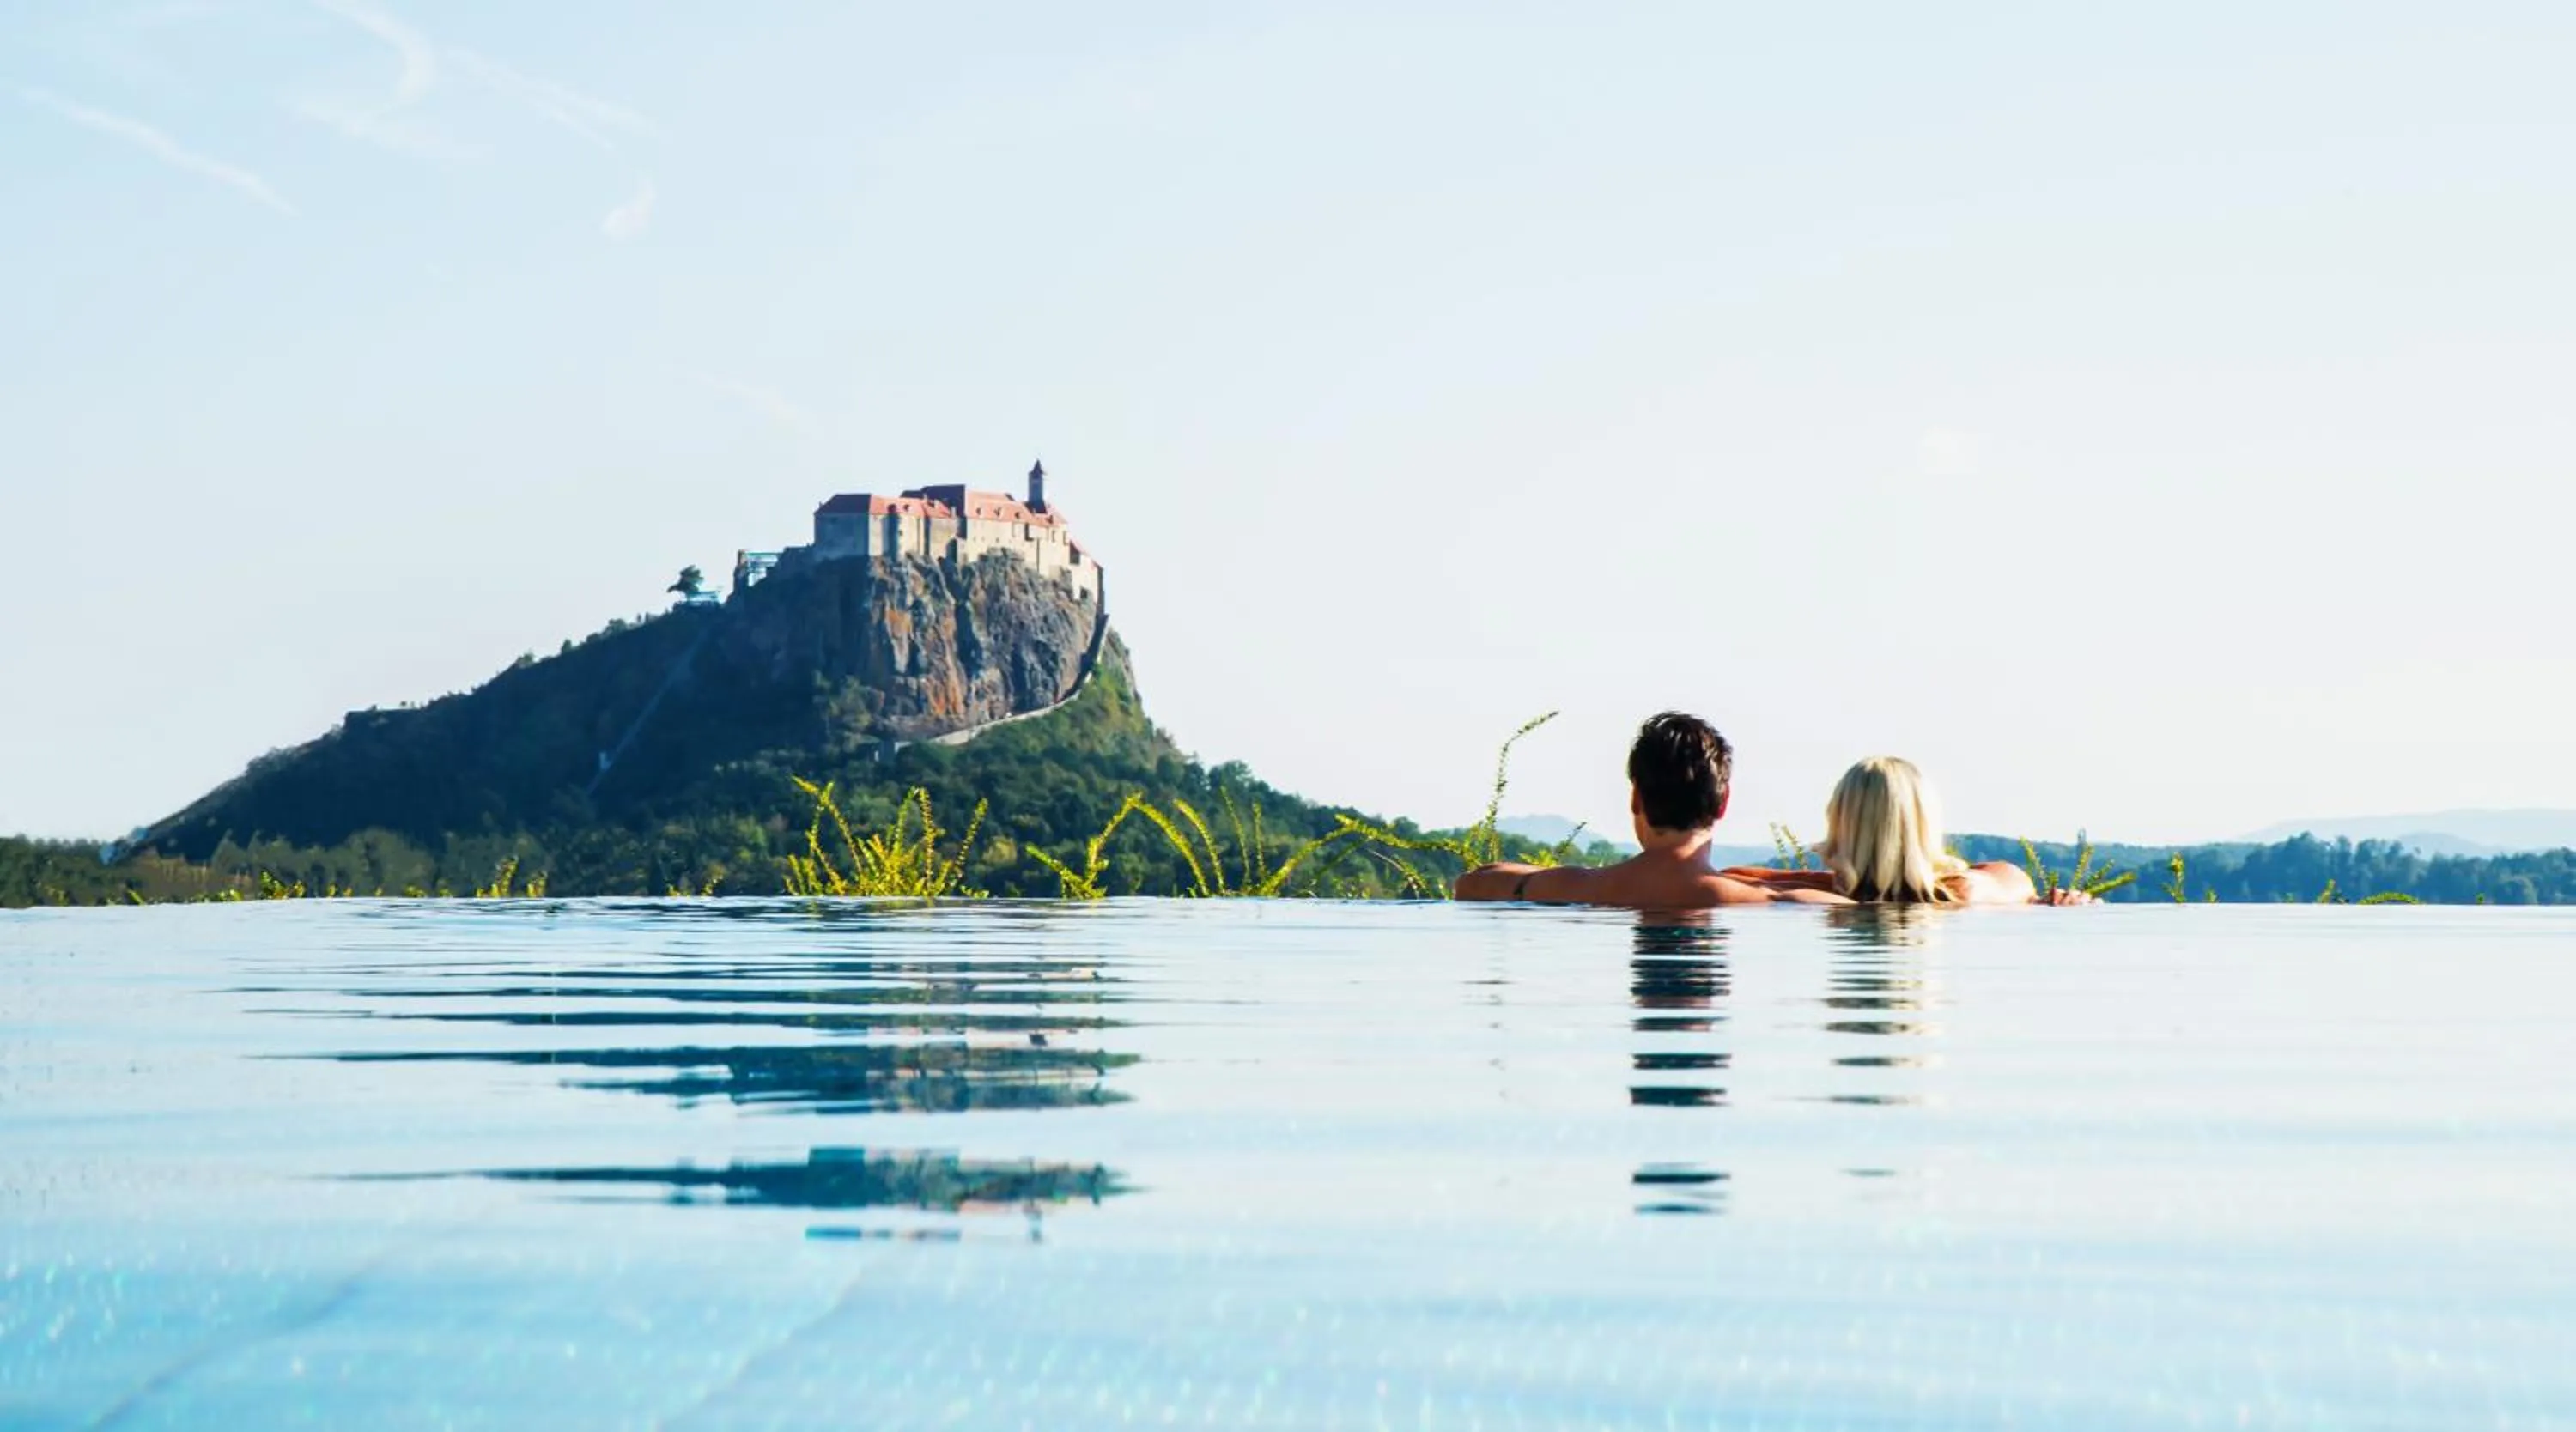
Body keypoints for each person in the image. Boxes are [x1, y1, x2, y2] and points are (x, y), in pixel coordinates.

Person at [1455, 713, 1833, 909]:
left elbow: (1473, 882)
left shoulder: (1584, 887)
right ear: (1723, 802)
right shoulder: (1771, 903)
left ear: (1636, 797)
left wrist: (1559, 877)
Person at [1721, 755, 2087, 906]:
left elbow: (1736, 878)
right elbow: (2015, 878)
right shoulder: (1967, 891)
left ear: (1840, 820)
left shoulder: (1816, 895)